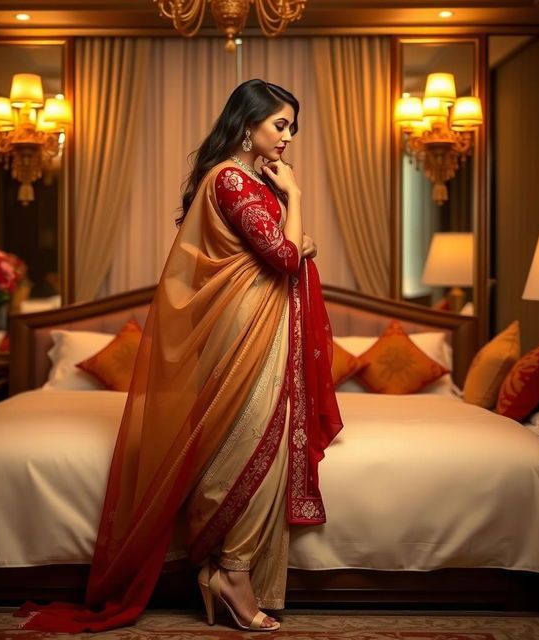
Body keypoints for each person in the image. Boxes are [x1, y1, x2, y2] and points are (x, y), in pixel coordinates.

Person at [19, 78, 343, 634]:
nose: (288, 137)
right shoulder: (235, 182)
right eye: (280, 125)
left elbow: (283, 252)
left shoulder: (237, 180)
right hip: (246, 331)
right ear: (248, 125)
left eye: (292, 127)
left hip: (255, 325)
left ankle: (230, 571)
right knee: (248, 445)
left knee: (253, 442)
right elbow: (288, 255)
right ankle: (231, 575)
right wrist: (296, 198)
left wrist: (292, 228)